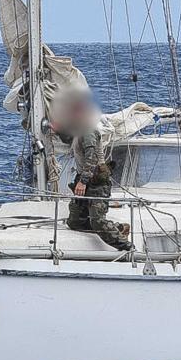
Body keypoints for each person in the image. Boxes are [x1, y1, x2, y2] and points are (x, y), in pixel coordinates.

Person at [55, 90, 132, 252]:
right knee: (75, 222)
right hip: (85, 179)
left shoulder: (89, 131)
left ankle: (128, 248)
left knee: (97, 220)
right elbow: (71, 140)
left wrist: (83, 182)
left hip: (95, 182)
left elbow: (92, 158)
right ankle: (116, 228)